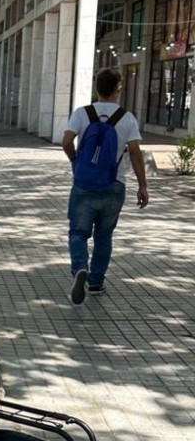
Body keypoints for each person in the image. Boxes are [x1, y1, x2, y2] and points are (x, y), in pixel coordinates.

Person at [61, 68, 149, 305]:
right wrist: (142, 186)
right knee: (104, 236)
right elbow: (135, 153)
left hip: (84, 184)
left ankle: (80, 268)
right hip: (114, 184)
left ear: (97, 87)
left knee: (78, 233)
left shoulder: (82, 113)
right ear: (118, 88)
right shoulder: (126, 118)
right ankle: (96, 282)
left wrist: (76, 161)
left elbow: (66, 141)